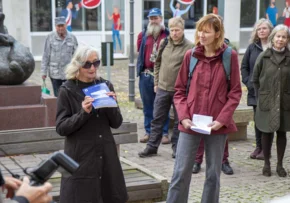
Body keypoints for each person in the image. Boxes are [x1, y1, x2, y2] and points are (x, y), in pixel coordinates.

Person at [167, 14, 242, 203]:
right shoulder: (190, 55)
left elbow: (235, 92)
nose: (201, 34)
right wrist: (183, 117)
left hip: (217, 125)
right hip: (190, 123)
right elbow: (179, 90)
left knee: (213, 175)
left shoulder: (229, 56)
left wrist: (222, 120)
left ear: (217, 34)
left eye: (207, 31)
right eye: (200, 30)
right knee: (180, 172)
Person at [56, 45, 128, 203]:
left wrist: (112, 105)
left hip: (105, 154)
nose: (92, 68)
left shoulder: (105, 85)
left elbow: (116, 123)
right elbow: (61, 127)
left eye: (96, 63)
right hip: (80, 157)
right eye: (87, 64)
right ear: (78, 66)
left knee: (109, 194)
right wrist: (83, 113)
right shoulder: (67, 90)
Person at [138, 17, 193, 158]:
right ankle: (152, 147)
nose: (174, 33)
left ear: (182, 30)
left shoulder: (189, 47)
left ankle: (176, 148)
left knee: (178, 121)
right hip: (162, 88)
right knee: (157, 118)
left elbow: (192, 70)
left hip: (179, 91)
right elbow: (157, 63)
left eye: (177, 30)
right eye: (172, 30)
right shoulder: (164, 43)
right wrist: (156, 83)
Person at [252, 24, 290, 177]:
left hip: (284, 102)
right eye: (278, 36)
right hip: (266, 102)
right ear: (272, 38)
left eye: (284, 37)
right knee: (266, 133)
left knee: (282, 133)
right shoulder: (264, 56)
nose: (280, 39)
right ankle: (266, 164)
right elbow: (255, 79)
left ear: (287, 40)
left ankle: (280, 164)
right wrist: (261, 96)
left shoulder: (289, 57)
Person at [136, 8, 170, 143]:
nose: (153, 21)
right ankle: (148, 132)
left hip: (162, 76)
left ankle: (164, 133)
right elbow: (140, 53)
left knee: (163, 105)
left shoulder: (167, 35)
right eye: (151, 18)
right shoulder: (143, 35)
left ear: (161, 18)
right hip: (146, 75)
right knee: (147, 105)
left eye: (156, 18)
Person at [241, 18, 273, 160]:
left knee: (268, 121)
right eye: (259, 29)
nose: (261, 31)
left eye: (264, 28)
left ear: (270, 30)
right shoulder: (252, 48)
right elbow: (244, 67)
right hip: (255, 91)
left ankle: (267, 149)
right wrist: (249, 83)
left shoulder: (274, 47)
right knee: (258, 120)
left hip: (271, 92)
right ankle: (258, 147)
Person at [41, 16, 78, 97]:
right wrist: (44, 72)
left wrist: (77, 70)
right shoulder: (50, 37)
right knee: (58, 96)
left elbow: (76, 56)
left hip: (68, 73)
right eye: (58, 26)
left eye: (62, 26)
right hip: (55, 73)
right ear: (55, 27)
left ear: (66, 25)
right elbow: (45, 55)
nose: (61, 28)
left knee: (68, 95)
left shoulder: (72, 38)